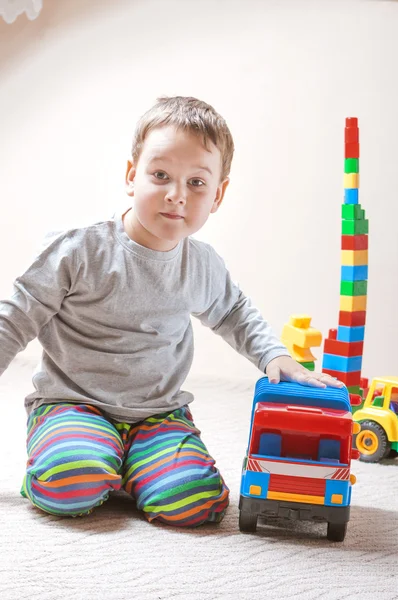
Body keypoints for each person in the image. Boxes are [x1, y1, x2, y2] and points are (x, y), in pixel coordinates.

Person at [0, 96, 342, 526]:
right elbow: (14, 318)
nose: (176, 195)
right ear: (132, 175)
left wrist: (275, 356)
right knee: (69, 481)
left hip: (157, 413)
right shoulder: (78, 247)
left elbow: (234, 312)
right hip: (73, 403)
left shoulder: (200, 265)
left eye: (196, 183)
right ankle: (93, 462)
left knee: (197, 502)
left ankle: (132, 466)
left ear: (218, 194)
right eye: (160, 175)